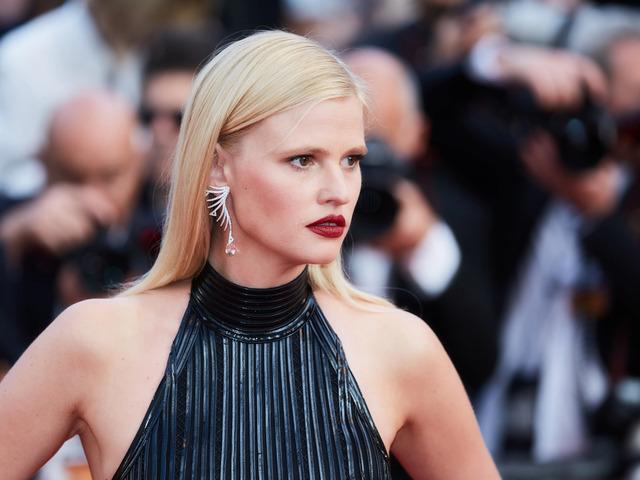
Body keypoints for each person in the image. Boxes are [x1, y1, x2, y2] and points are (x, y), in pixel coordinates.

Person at [0, 30, 499, 479]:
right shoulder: (94, 342)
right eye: (302, 160)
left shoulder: (401, 349)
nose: (338, 190)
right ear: (217, 167)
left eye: (351, 160)